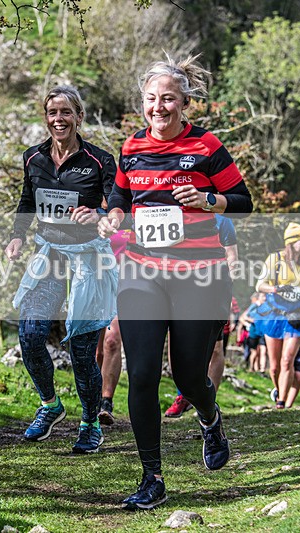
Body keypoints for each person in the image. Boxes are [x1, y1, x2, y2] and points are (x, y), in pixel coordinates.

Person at [98, 55, 252, 510]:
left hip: (199, 275)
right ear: (142, 103)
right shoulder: (130, 148)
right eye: (151, 99)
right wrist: (112, 217)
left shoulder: (206, 146)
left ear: (184, 103)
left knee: (188, 375)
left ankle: (209, 416)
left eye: (168, 99)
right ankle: (152, 477)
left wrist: (209, 199)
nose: (159, 107)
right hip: (143, 273)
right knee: (142, 373)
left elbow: (243, 201)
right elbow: (120, 197)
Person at [6, 85, 117, 454]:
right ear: (46, 117)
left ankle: (89, 423)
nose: (59, 119)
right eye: (52, 112)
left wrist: (99, 214)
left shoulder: (100, 160)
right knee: (31, 332)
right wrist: (17, 236)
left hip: (88, 256)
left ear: (79, 117)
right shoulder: (33, 158)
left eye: (66, 112)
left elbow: (118, 203)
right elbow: (27, 199)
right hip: (49, 252)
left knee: (83, 349)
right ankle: (50, 405)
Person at [164, 215, 239, 417]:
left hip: (212, 290)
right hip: (180, 288)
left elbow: (232, 256)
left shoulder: (222, 221)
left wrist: (225, 290)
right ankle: (184, 395)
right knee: (176, 343)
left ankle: (207, 401)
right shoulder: (177, 215)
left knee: (215, 347)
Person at [255, 222, 300, 409]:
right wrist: (276, 288)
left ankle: (282, 404)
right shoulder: (274, 259)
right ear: (292, 242)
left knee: (287, 359)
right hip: (275, 313)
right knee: (274, 366)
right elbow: (259, 284)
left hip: (298, 314)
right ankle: (278, 391)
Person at [95, 229, 132, 426]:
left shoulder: (131, 212)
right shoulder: (91, 211)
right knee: (97, 351)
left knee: (111, 341)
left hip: (123, 288)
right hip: (95, 286)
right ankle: (91, 400)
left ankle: (106, 402)